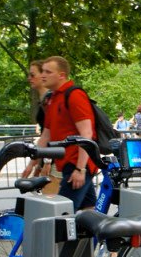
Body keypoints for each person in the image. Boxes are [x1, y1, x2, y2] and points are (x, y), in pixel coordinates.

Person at [34, 56, 98, 210]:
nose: (43, 75)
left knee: (62, 213)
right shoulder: (53, 98)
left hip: (76, 163)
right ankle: (92, 234)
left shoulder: (75, 95)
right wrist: (33, 163)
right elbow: (46, 135)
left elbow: (86, 134)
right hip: (70, 164)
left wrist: (80, 169)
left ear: (61, 75)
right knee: (86, 211)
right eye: (42, 71)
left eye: (48, 72)